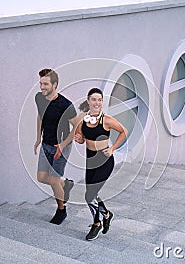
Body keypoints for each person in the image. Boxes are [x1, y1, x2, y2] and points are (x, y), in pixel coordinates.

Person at [74, 88, 127, 241]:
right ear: (88, 101)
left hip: (104, 160)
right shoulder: (82, 120)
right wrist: (79, 139)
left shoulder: (107, 120)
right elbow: (81, 138)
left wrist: (112, 148)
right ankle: (107, 215)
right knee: (91, 194)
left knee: (89, 195)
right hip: (90, 160)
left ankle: (96, 223)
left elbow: (124, 131)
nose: (97, 102)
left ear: (102, 102)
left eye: (99, 99)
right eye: (94, 99)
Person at [34, 68, 78, 225]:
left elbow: (77, 126)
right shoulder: (39, 98)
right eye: (41, 84)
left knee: (53, 180)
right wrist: (38, 138)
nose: (42, 87)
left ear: (55, 84)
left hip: (62, 147)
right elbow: (40, 116)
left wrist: (63, 145)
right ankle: (66, 184)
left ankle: (61, 210)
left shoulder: (65, 105)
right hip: (46, 145)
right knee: (41, 178)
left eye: (46, 84)